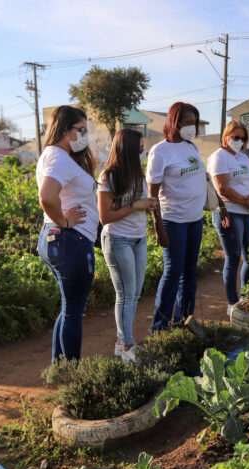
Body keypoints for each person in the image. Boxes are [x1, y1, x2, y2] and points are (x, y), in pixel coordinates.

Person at [147, 102, 227, 332]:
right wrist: (158, 227)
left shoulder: (191, 147)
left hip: (194, 220)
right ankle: (159, 329)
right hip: (173, 221)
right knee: (173, 272)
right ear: (174, 122)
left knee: (190, 271)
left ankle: (186, 321)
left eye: (194, 123)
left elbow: (202, 178)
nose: (191, 127)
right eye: (187, 123)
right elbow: (152, 195)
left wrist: (218, 203)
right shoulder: (160, 152)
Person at [36, 105, 98, 362]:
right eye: (80, 130)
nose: (84, 135)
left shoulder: (56, 156)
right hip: (69, 241)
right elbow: (47, 197)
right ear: (64, 129)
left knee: (68, 308)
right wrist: (65, 221)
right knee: (73, 311)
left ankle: (59, 368)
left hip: (61, 240)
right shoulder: (58, 157)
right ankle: (73, 376)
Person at [97, 129, 157, 362]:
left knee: (135, 294)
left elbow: (138, 204)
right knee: (125, 295)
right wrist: (136, 205)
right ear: (129, 149)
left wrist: (147, 205)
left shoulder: (137, 174)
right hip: (117, 239)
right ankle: (127, 346)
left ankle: (121, 342)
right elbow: (105, 217)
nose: (143, 150)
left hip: (138, 239)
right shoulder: (108, 176)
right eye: (140, 146)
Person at [207, 120, 249, 315]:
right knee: (233, 257)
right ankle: (232, 302)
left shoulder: (244, 158)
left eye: (242, 138)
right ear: (226, 136)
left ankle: (247, 297)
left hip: (246, 213)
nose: (239, 141)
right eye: (235, 137)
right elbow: (223, 189)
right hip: (229, 212)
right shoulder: (218, 157)